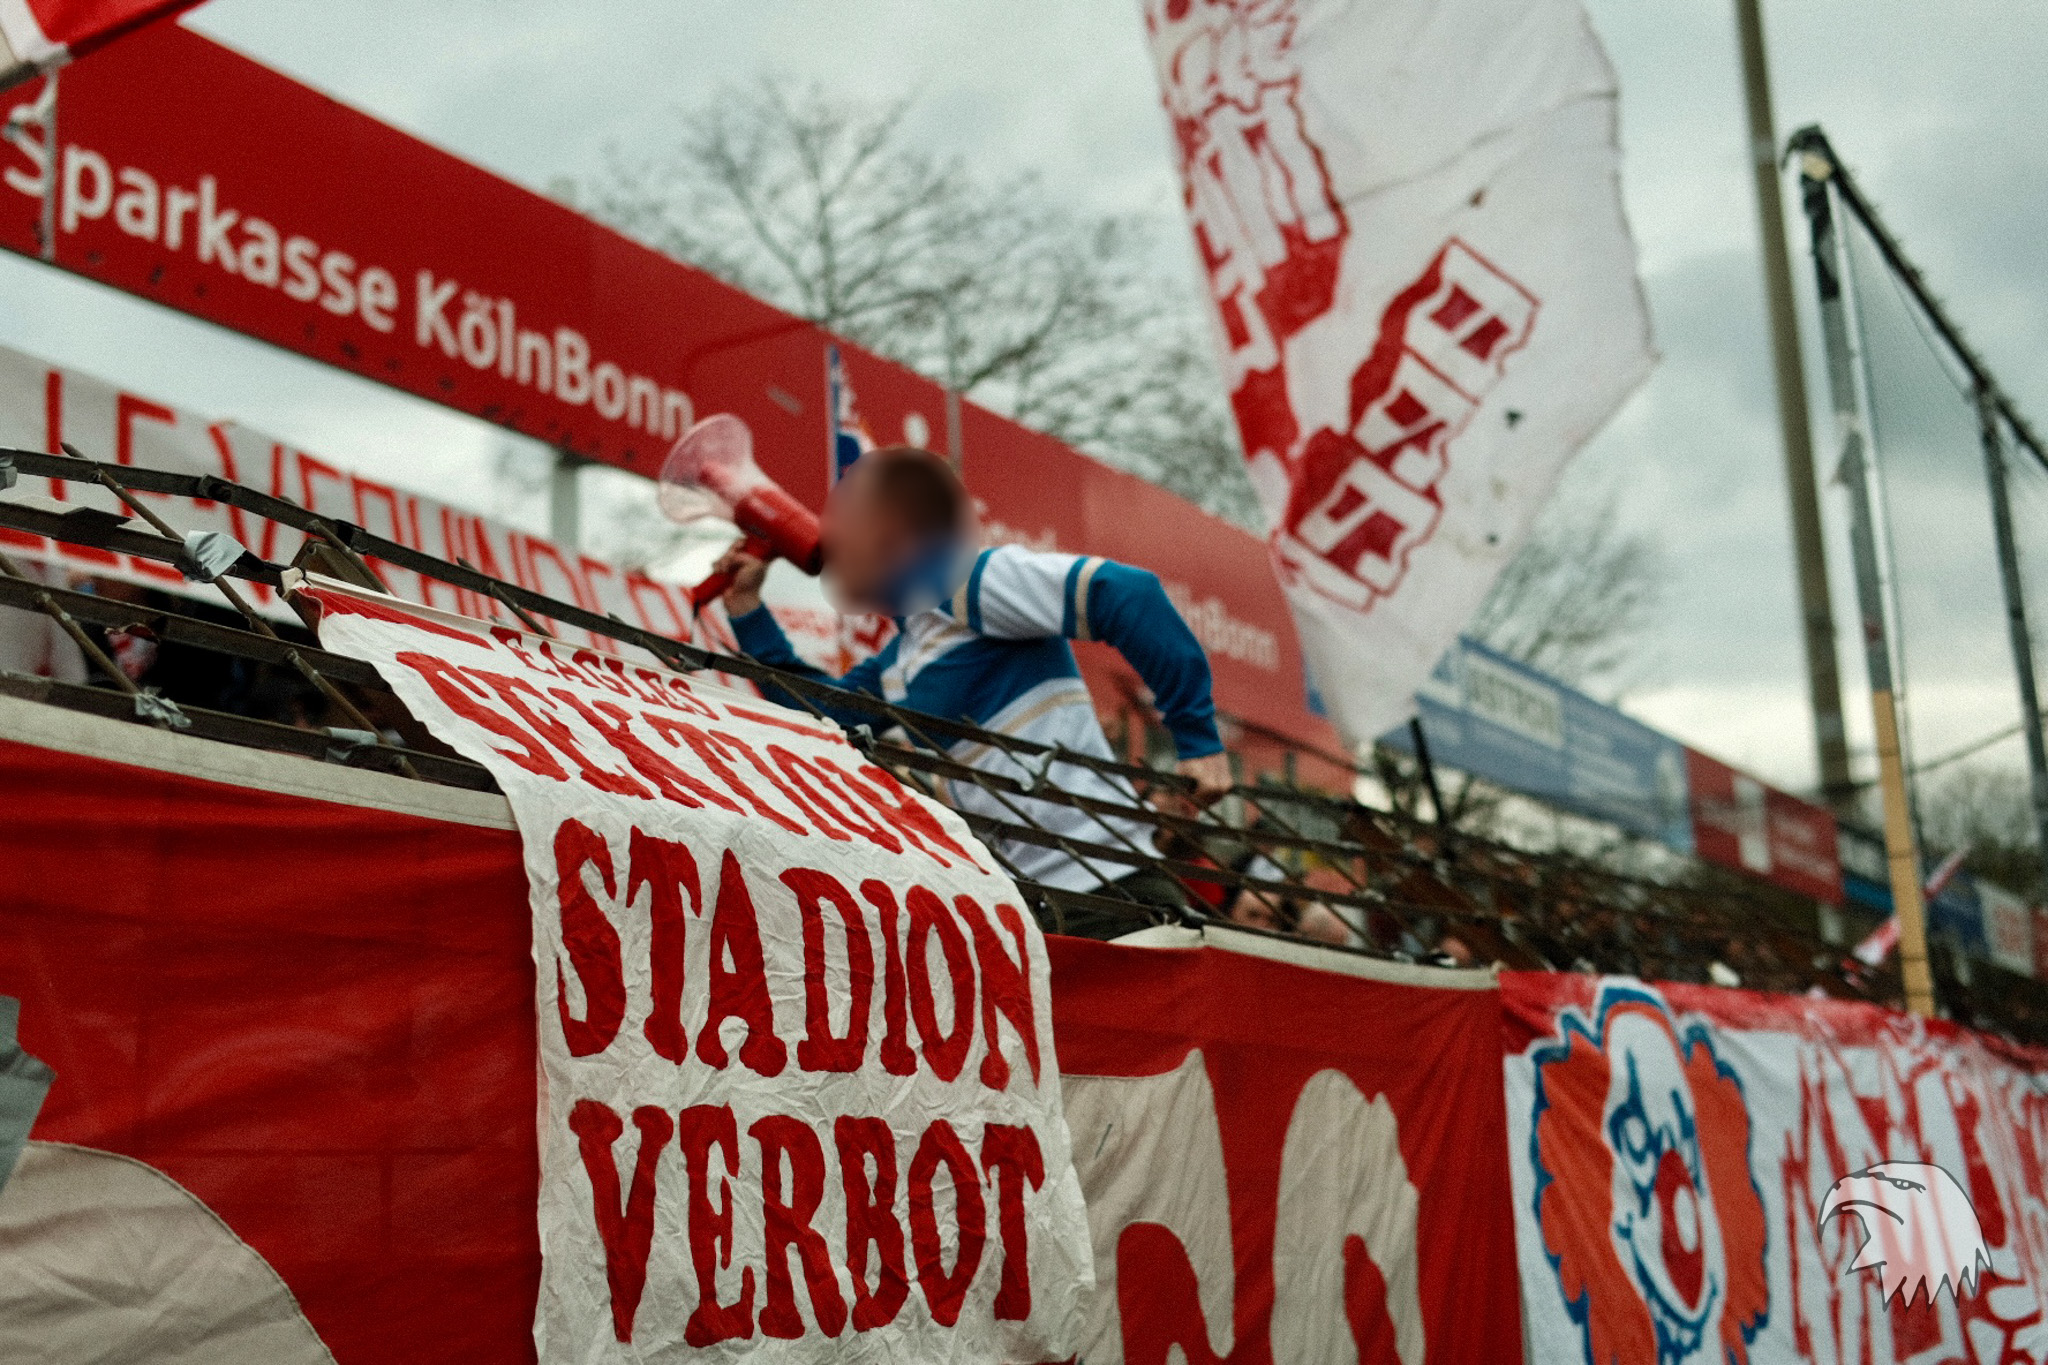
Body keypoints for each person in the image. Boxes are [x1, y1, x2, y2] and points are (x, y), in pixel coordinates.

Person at [714, 445, 1232, 939]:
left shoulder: (968, 583)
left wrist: (1198, 739)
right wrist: (748, 611)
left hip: (1113, 892)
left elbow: (1123, 593)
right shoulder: (904, 655)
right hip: (1028, 908)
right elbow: (824, 711)